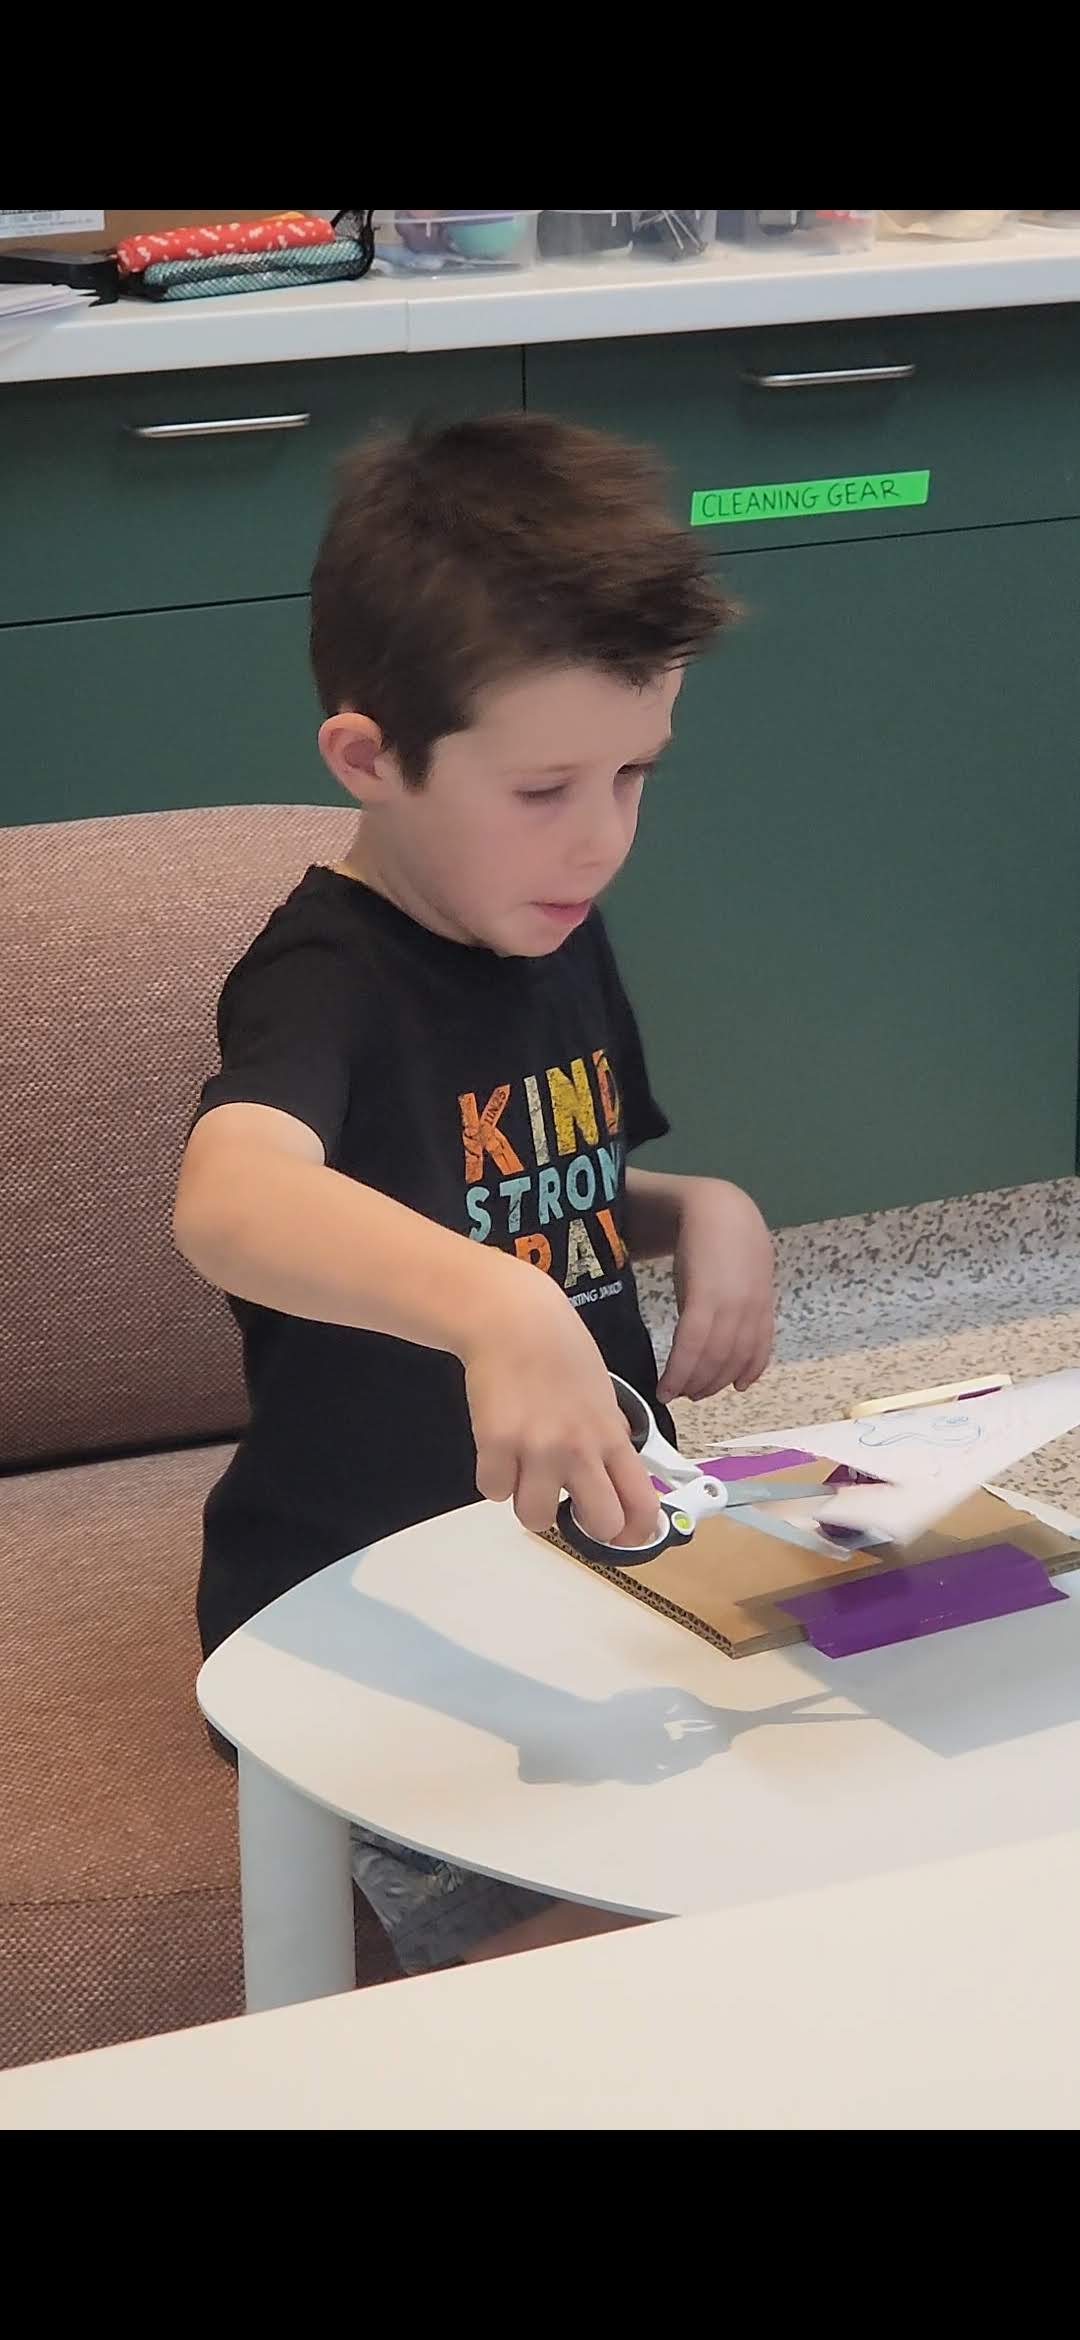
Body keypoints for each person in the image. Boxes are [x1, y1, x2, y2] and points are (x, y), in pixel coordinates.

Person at [174, 413, 774, 1972]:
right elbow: (229, 1199)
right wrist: (498, 1310)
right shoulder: (324, 975)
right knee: (600, 1961)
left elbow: (540, 1189)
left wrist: (697, 1208)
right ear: (371, 759)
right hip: (369, 1608)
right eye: (546, 787)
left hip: (587, 1561)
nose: (603, 839)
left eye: (634, 775)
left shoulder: (547, 921)